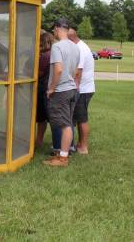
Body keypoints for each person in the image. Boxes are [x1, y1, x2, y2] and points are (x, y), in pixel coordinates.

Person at [43, 18, 80, 167]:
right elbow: (75, 70)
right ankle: (62, 153)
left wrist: (52, 88)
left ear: (58, 28)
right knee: (68, 123)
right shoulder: (75, 47)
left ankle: (63, 158)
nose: (53, 32)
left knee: (64, 125)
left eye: (54, 30)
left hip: (61, 91)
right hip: (71, 89)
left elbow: (58, 69)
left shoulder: (57, 47)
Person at [68, 25, 95, 155]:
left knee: (82, 118)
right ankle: (75, 144)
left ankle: (83, 147)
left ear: (71, 39)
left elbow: (78, 72)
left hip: (83, 90)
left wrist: (73, 90)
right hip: (82, 88)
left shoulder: (80, 49)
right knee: (77, 117)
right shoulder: (80, 46)